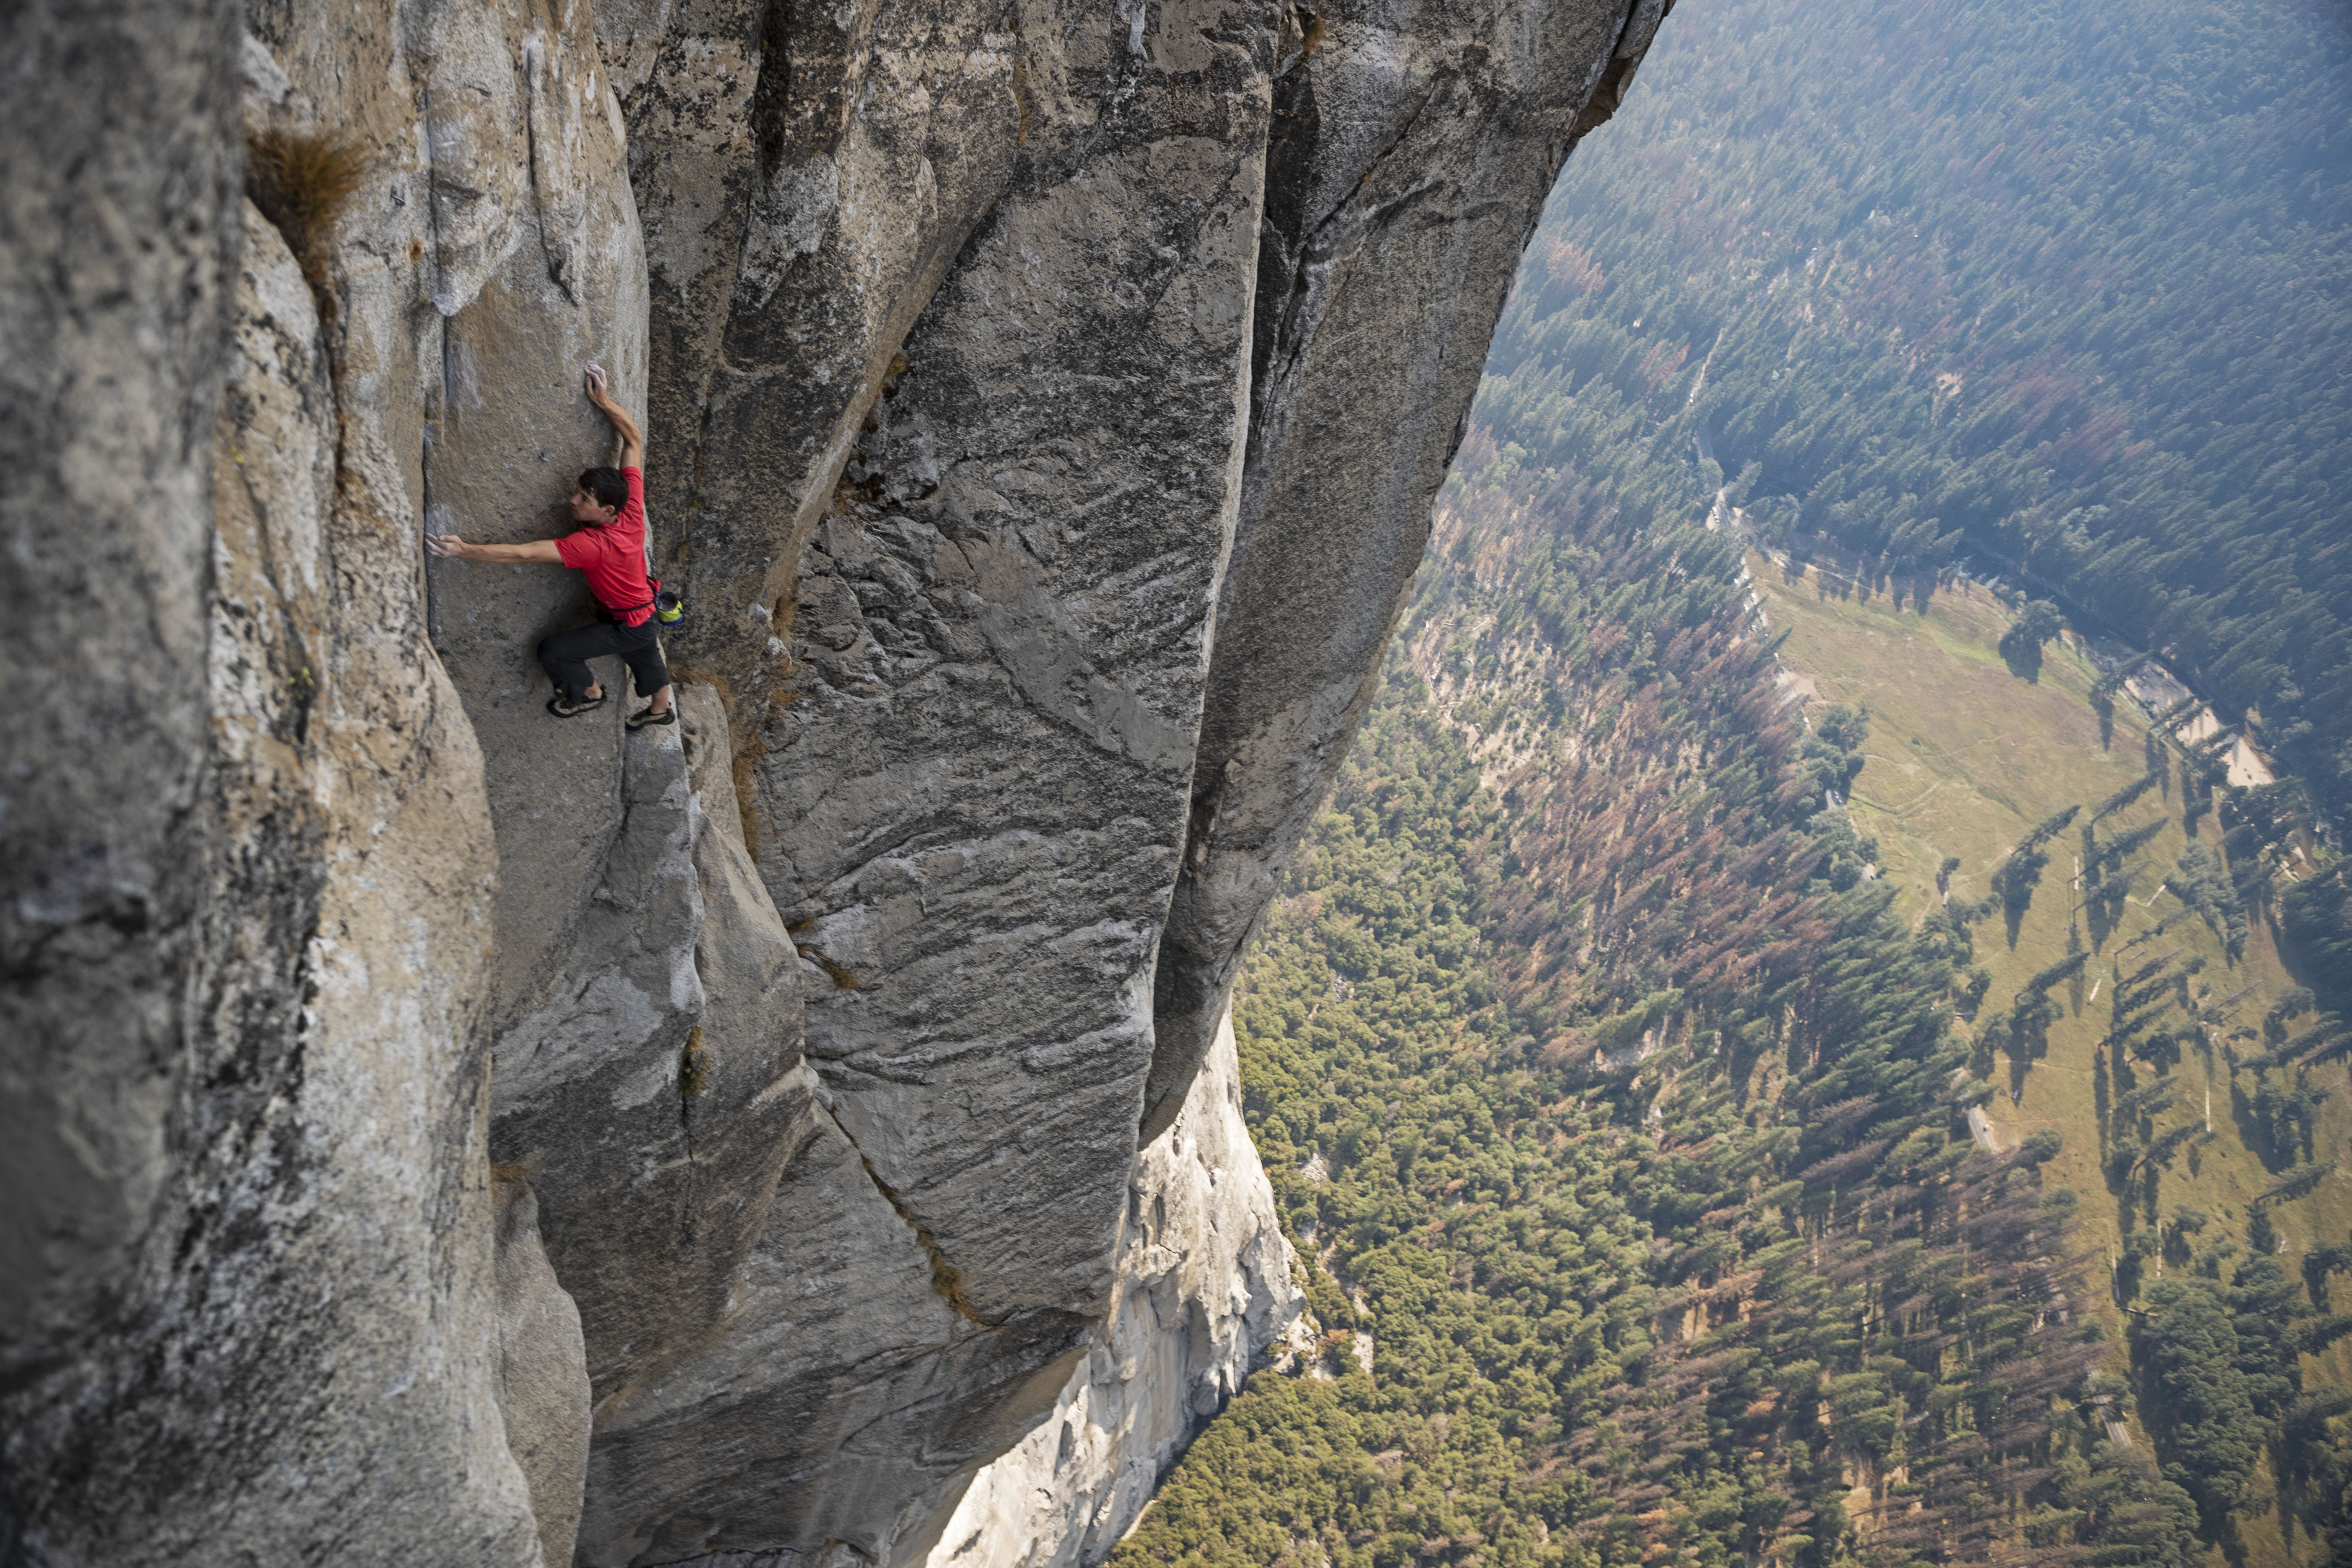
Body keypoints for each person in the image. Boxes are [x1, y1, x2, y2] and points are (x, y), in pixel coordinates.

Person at [426, 366, 676, 727]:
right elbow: (634, 440)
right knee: (644, 648)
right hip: (643, 609)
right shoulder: (630, 506)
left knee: (555, 652)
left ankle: (588, 694)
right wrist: (603, 401)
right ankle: (661, 710)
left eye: (584, 499)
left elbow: (524, 553)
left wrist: (464, 550)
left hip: (631, 619)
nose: (573, 501)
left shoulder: (593, 546)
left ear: (607, 510)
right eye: (579, 491)